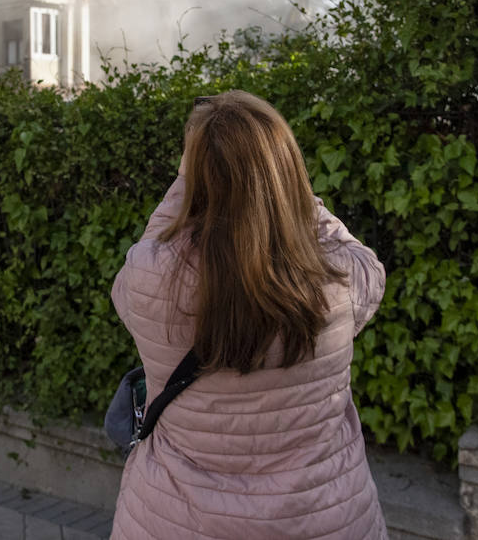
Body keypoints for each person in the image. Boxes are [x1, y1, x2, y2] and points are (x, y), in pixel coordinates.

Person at [111, 90, 388, 539]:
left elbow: (147, 251)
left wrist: (186, 178)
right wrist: (294, 197)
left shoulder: (152, 275)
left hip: (177, 521)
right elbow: (366, 262)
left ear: (194, 178)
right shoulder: (335, 280)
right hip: (323, 520)